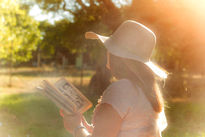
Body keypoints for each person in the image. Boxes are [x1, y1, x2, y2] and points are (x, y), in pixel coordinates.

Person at [60, 20, 168, 137]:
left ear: (116, 55)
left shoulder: (122, 89)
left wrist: (76, 127)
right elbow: (126, 130)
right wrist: (87, 128)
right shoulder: (147, 91)